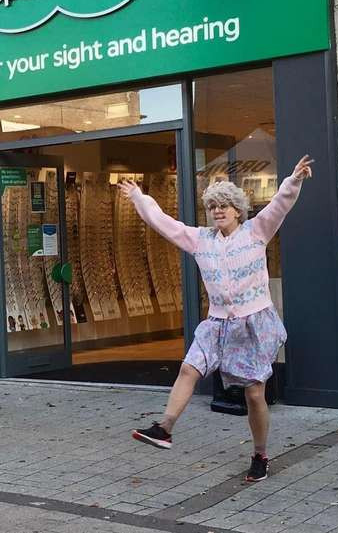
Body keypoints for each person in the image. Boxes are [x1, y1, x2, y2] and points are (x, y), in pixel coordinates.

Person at [119, 155, 314, 483]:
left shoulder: (256, 231)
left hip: (253, 324)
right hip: (217, 324)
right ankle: (164, 428)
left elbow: (279, 205)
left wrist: (293, 180)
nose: (218, 211)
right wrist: (140, 197)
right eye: (213, 206)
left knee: (254, 394)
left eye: (224, 205)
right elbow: (164, 222)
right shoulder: (200, 240)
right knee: (188, 368)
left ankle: (260, 454)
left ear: (238, 210)